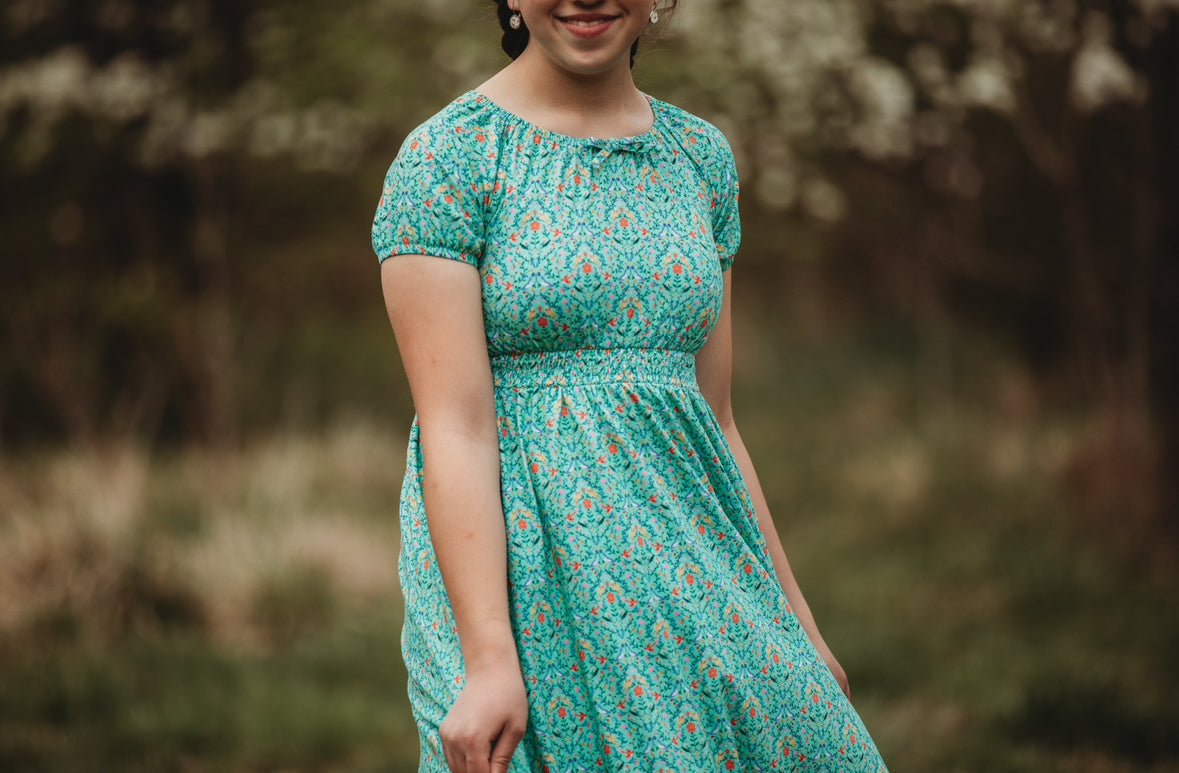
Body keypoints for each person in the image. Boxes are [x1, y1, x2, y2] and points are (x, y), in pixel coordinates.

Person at [372, 1, 889, 771]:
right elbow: (455, 428)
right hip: (534, 592)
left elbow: (715, 420)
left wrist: (796, 622)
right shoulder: (449, 159)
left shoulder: (699, 158)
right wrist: (487, 659)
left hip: (694, 566)